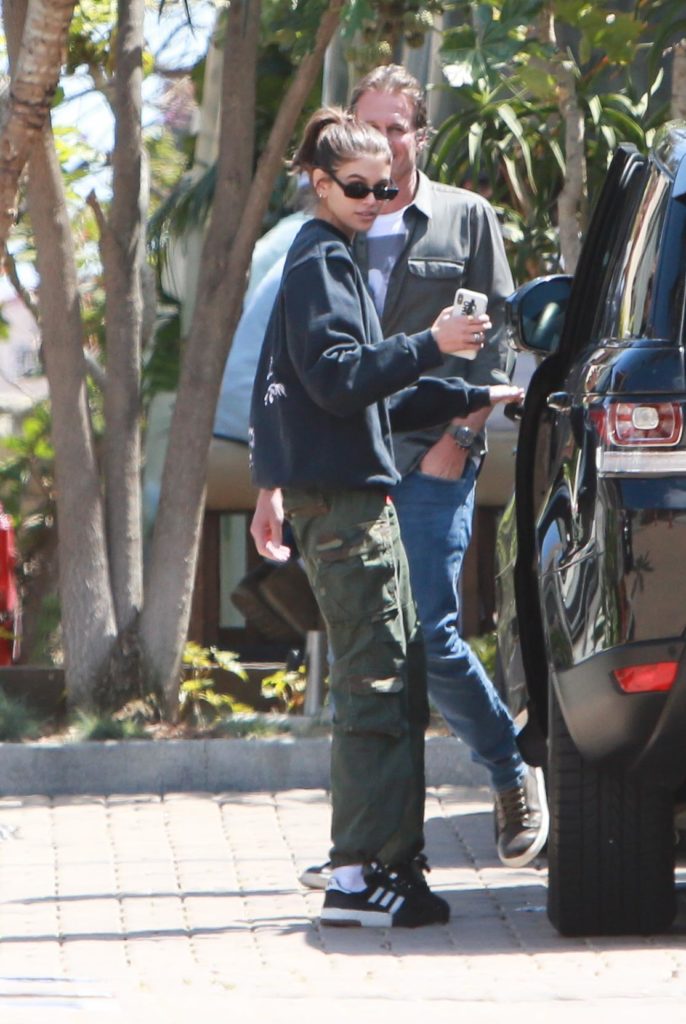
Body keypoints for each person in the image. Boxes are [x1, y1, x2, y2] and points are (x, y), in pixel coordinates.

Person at [252, 66, 549, 884]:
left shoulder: (463, 216)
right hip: (355, 459)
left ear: (420, 134)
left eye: (397, 130)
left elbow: (491, 334)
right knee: (382, 658)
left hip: (435, 449)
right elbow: (303, 373)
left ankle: (500, 778)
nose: (382, 151)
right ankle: (379, 851)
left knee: (418, 637)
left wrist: (463, 428)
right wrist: (270, 481)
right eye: (367, 130)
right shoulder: (327, 235)